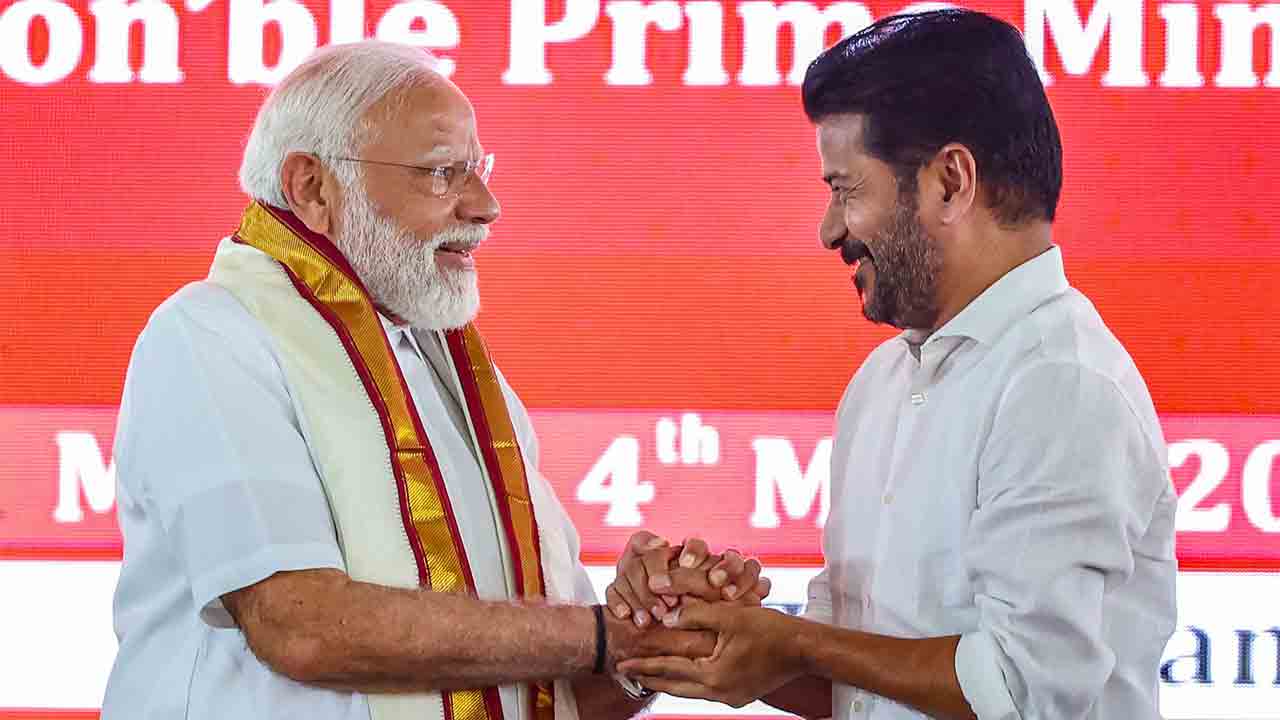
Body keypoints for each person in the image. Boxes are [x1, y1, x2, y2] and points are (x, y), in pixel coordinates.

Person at [100, 40, 766, 720]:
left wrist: (654, 636)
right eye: (442, 173)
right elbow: (298, 625)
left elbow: (555, 689)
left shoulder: (462, 379)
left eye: (478, 170)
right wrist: (604, 636)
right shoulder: (211, 336)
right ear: (312, 187)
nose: (486, 206)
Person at [615, 9, 1178, 720]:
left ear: (950, 182)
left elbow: (1021, 690)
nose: (829, 230)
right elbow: (851, 685)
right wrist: (703, 625)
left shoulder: (1060, 384)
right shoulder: (882, 383)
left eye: (845, 189)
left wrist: (793, 641)